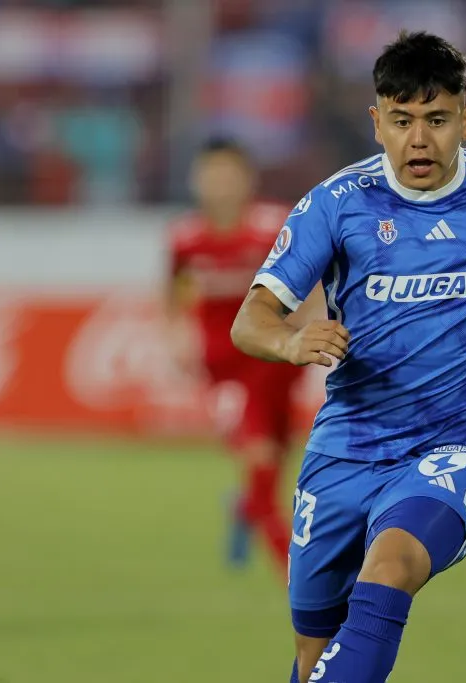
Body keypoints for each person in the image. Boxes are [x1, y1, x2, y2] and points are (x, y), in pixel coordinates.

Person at [231, 32, 466, 682]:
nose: (419, 140)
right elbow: (251, 319)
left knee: (393, 563)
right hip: (345, 449)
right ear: (376, 121)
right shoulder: (337, 205)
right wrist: (293, 340)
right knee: (312, 654)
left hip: (455, 444)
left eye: (436, 120)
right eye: (402, 121)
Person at [167, 137, 320, 575]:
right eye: (211, 175)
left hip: (276, 363)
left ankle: (243, 508)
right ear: (197, 181)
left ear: (246, 179)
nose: (220, 185)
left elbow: (309, 280)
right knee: (259, 459)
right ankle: (296, 575)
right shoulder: (186, 239)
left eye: (228, 174)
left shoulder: (272, 228)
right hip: (225, 368)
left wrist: (304, 331)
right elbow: (172, 293)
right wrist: (174, 334)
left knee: (274, 456)